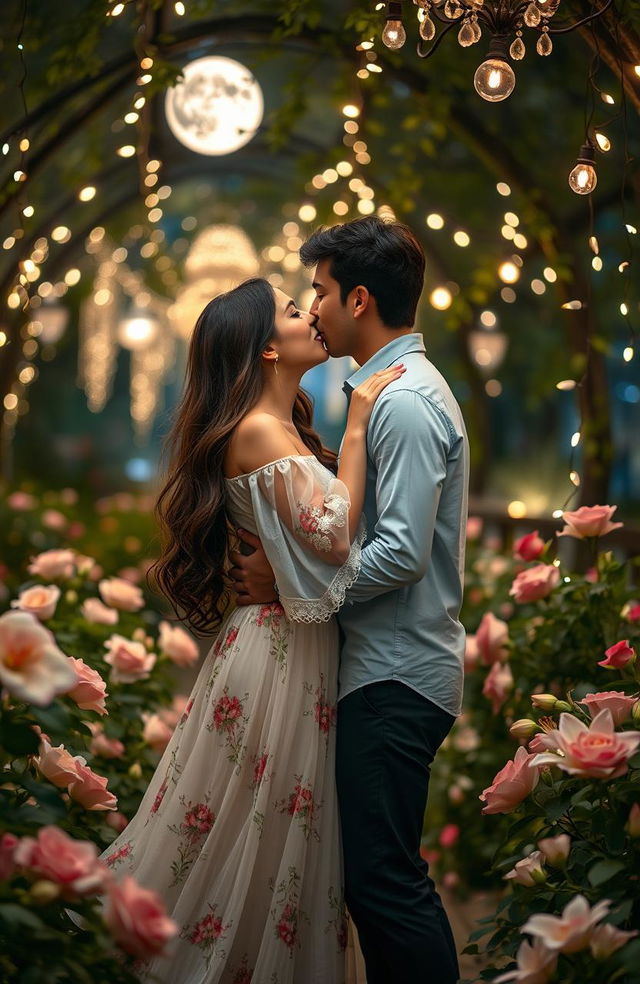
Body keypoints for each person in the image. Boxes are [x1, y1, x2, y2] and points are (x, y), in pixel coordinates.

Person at [98, 276, 405, 984]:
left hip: (275, 640)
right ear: (268, 347)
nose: (312, 317)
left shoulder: (275, 425)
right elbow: (332, 535)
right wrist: (358, 423)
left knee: (251, 828)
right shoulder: (263, 430)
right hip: (276, 655)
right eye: (296, 312)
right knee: (251, 826)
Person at [231, 217, 469, 984]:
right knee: (376, 883)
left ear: (359, 299)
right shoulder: (387, 394)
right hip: (386, 668)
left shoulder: (400, 402)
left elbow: (399, 552)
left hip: (397, 674)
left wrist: (297, 591)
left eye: (321, 292)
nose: (315, 307)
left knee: (385, 888)